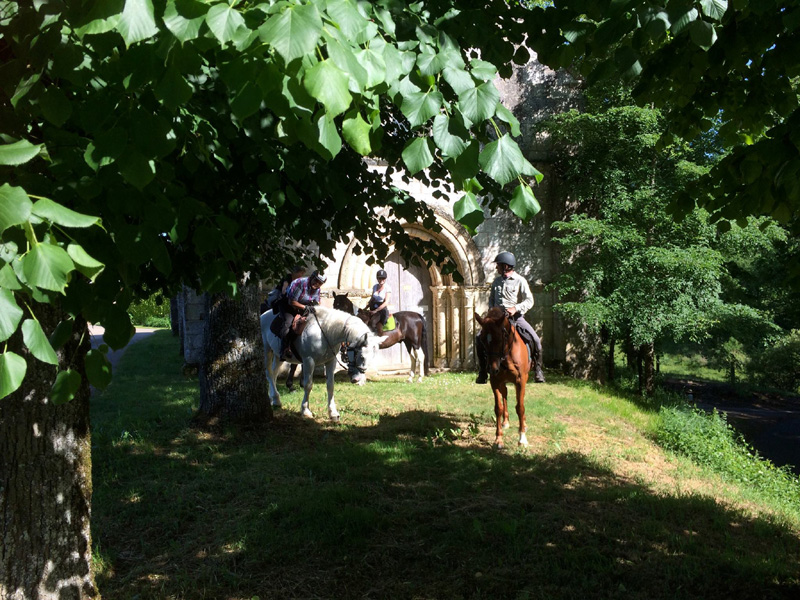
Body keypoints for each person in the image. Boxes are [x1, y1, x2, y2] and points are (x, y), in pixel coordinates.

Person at [476, 252, 545, 384]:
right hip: (498, 321)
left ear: (506, 266)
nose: (497, 268)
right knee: (479, 338)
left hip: (516, 318)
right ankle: (483, 371)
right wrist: (492, 313)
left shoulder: (520, 281)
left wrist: (516, 308)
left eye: (498, 265)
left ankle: (538, 370)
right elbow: (491, 300)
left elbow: (529, 300)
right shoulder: (496, 282)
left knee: (536, 340)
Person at [278, 270, 326, 361]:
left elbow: (317, 302)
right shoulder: (301, 283)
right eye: (316, 280)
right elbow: (292, 302)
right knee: (288, 324)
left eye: (320, 283)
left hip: (302, 307)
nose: (317, 284)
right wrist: (306, 308)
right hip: (288, 305)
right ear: (312, 277)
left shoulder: (317, 289)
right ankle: (284, 350)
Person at [366, 268, 391, 335]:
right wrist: (367, 306)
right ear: (377, 279)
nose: (381, 280)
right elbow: (372, 298)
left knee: (372, 322)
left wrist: (376, 310)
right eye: (380, 278)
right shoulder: (374, 287)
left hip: (381, 310)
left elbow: (386, 302)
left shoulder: (387, 288)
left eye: (383, 279)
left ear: (385, 279)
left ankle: (376, 338)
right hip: (373, 307)